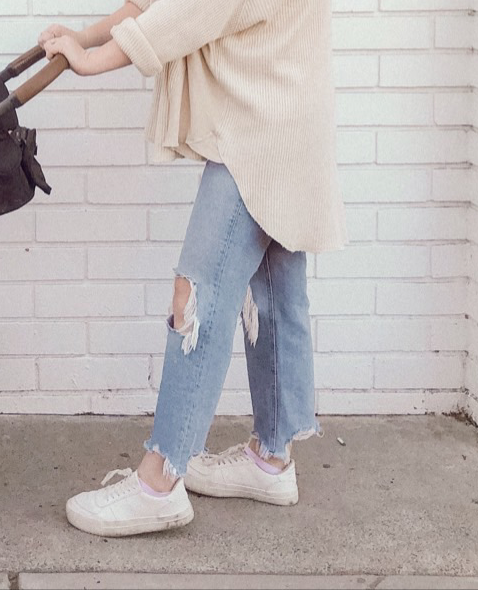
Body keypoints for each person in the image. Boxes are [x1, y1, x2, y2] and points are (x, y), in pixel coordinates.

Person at [38, 0, 348, 537]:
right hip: (284, 122)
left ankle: (158, 484)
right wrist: (86, 36)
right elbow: (156, 3)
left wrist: (91, 59)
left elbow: (187, 11)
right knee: (274, 296)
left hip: (258, 137)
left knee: (197, 298)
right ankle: (271, 459)